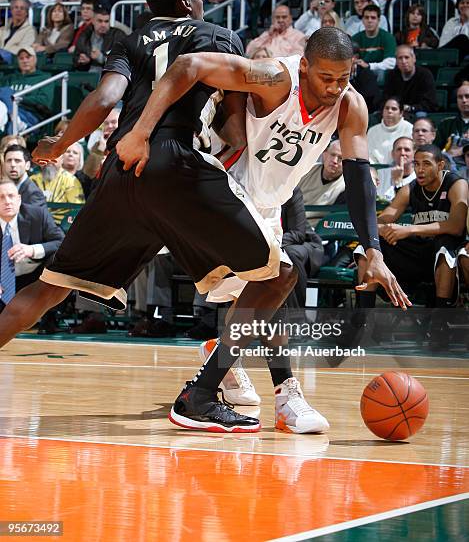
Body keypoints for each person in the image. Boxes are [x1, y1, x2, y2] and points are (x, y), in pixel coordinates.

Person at [0, 0, 302, 435]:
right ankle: (213, 395)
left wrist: (57, 146)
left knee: (48, 287)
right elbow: (236, 129)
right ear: (187, 2)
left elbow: (104, 98)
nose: (201, 1)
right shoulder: (218, 35)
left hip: (120, 169)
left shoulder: (129, 40)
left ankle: (230, 384)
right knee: (275, 273)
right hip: (178, 166)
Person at [118, 25, 410, 425]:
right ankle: (225, 395)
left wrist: (373, 250)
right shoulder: (275, 78)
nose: (334, 87)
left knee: (267, 292)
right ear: (304, 66)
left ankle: (225, 368)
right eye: (325, 77)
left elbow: (359, 177)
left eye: (344, 78)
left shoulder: (350, 106)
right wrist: (142, 131)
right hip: (220, 188)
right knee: (280, 275)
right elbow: (191, 65)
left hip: (266, 204)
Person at [354, 145, 468, 348]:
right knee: (367, 248)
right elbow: (379, 223)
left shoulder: (456, 183)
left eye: (426, 164)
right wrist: (387, 229)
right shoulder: (411, 188)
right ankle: (364, 322)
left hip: (444, 255)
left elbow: (456, 227)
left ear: (440, 165)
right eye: (416, 164)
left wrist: (409, 229)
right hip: (417, 254)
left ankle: (439, 325)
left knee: (445, 248)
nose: (420, 169)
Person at [0, 179, 64, 313]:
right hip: (2, 282)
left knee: (57, 258)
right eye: (1, 197)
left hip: (34, 278)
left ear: (19, 199)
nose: (7, 201)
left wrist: (32, 249)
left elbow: (61, 241)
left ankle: (50, 319)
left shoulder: (37, 215)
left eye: (11, 196)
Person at [0, 47, 53, 135]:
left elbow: (45, 100)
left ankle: (14, 117)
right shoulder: (10, 78)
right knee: (5, 93)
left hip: (30, 114)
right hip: (7, 111)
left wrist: (19, 98)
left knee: (7, 92)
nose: (25, 61)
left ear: (35, 59)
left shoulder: (44, 78)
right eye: (21, 58)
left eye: (28, 57)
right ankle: (13, 116)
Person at [298, 139, 345, 229]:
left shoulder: (346, 186)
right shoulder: (306, 170)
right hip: (292, 222)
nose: (335, 161)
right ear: (324, 154)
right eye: (332, 155)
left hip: (318, 230)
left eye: (340, 158)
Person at [383, 44, 438, 118]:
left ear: (414, 58)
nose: (403, 61)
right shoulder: (391, 75)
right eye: (400, 58)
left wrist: (410, 108)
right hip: (396, 110)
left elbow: (430, 103)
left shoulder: (425, 75)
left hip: (417, 111)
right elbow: (386, 97)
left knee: (421, 115)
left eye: (406, 57)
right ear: (396, 61)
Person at [73, 7, 126, 72]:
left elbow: (122, 61)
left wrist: (102, 58)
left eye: (106, 21)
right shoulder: (84, 35)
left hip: (110, 75)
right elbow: (75, 58)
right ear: (93, 21)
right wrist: (81, 60)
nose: (103, 25)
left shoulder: (118, 35)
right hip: (87, 75)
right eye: (100, 21)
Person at [351, 4, 397, 80]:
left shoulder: (388, 37)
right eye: (366, 18)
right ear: (362, 20)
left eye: (373, 18)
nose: (369, 21)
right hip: (361, 71)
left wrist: (369, 66)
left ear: (378, 20)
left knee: (381, 73)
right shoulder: (355, 38)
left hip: (380, 72)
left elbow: (390, 63)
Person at [367, 97, 413, 166]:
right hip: (375, 170)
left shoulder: (409, 128)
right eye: (387, 108)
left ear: (401, 113)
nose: (389, 111)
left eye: (394, 109)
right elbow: (368, 155)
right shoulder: (372, 131)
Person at [376, 136, 416, 201]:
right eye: (399, 149)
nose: (402, 153)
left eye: (407, 150)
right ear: (392, 154)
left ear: (415, 154)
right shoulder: (379, 174)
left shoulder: (419, 176)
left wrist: (397, 183)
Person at [0, 0, 36, 64]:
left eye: (22, 8)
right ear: (11, 10)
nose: (18, 10)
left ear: (26, 13)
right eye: (16, 7)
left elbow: (24, 49)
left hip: (15, 59)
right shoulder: (2, 29)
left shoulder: (31, 30)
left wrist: (4, 51)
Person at [438, 84, 469, 162]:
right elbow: (436, 150)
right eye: (460, 97)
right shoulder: (446, 124)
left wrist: (462, 150)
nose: (464, 100)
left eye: (467, 96)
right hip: (450, 167)